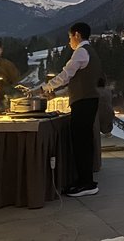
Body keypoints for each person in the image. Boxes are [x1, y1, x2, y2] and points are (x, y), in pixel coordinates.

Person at [42, 22, 104, 197]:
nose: (69, 41)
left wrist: (45, 88)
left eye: (69, 37)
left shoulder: (81, 52)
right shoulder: (91, 52)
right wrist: (56, 93)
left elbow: (65, 75)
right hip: (88, 100)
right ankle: (85, 180)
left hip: (83, 103)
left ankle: (87, 183)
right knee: (84, 141)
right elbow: (78, 81)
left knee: (81, 142)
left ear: (77, 35)